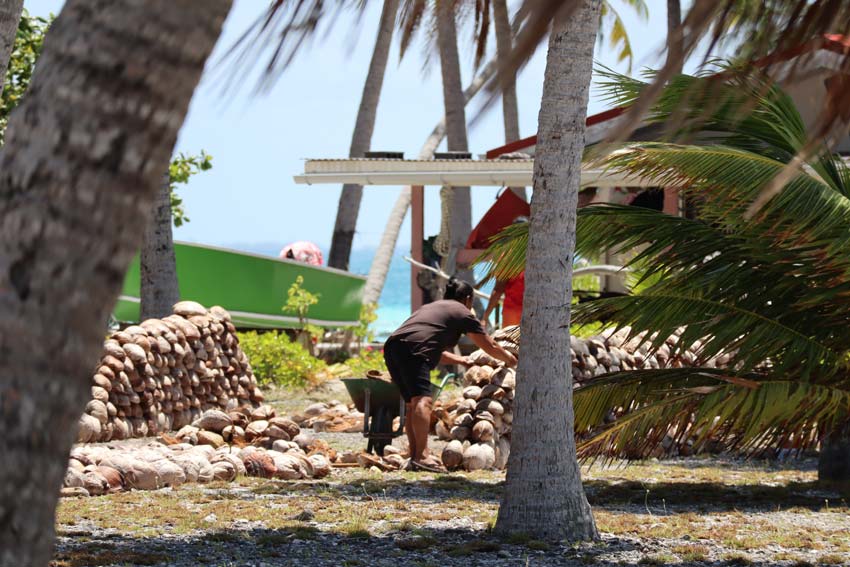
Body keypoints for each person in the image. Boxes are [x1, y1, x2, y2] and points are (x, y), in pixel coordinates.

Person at [383, 278, 518, 472]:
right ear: (468, 299)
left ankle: (415, 457)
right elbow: (490, 345)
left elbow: (432, 349)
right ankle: (422, 456)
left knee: (413, 404)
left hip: (393, 346)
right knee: (423, 401)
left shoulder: (433, 307)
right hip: (414, 349)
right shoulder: (463, 312)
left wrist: (462, 361)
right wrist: (511, 360)